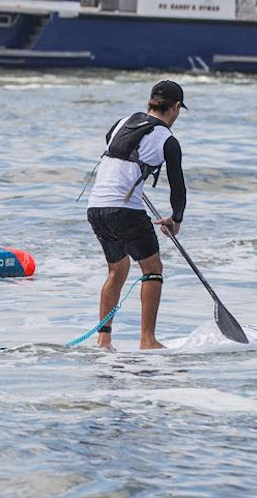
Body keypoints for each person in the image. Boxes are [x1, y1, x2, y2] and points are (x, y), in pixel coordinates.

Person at [85, 80, 189, 351]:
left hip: (95, 207)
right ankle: (148, 340)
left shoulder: (122, 122)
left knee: (117, 269)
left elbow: (114, 147)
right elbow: (178, 187)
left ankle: (104, 340)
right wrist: (175, 219)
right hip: (125, 210)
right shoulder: (168, 140)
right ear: (176, 107)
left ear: (150, 102)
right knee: (153, 269)